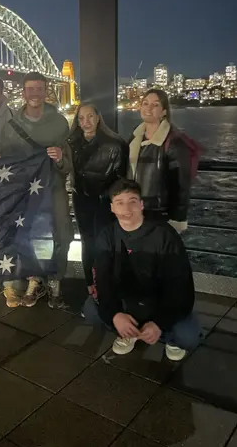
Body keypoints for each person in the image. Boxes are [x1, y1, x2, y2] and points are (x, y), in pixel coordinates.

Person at [82, 178, 200, 361]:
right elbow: (103, 280)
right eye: (119, 203)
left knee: (188, 336)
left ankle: (169, 337)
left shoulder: (164, 235)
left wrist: (160, 322)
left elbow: (179, 284)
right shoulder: (107, 236)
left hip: (159, 301)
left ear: (141, 204)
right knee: (91, 310)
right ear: (112, 208)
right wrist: (115, 314)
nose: (127, 209)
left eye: (132, 201)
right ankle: (128, 332)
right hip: (127, 302)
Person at [0, 72, 73, 309]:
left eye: (39, 88)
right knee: (29, 235)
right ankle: (35, 280)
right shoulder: (11, 127)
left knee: (60, 234)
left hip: (54, 189)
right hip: (26, 194)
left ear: (46, 91)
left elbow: (68, 166)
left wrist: (60, 158)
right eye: (30, 89)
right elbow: (6, 167)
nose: (35, 93)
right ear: (23, 92)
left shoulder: (60, 123)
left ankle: (55, 281)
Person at [68, 102, 128, 291]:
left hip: (104, 201)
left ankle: (106, 284)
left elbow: (121, 178)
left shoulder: (115, 144)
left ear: (98, 117)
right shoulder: (71, 143)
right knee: (87, 242)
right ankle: (91, 284)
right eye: (81, 118)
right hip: (81, 200)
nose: (86, 121)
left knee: (104, 242)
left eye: (90, 116)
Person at [128, 89, 192, 233]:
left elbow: (182, 186)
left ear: (164, 111)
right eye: (145, 103)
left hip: (159, 214)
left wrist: (177, 220)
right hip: (135, 210)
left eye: (155, 105)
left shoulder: (174, 141)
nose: (148, 108)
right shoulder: (135, 137)